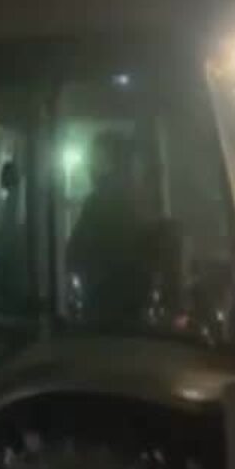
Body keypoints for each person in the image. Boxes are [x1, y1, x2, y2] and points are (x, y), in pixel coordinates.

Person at [65, 131, 178, 327]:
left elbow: (73, 256)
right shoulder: (141, 203)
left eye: (96, 159)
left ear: (110, 163)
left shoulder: (99, 203)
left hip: (105, 314)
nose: (89, 166)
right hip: (137, 315)